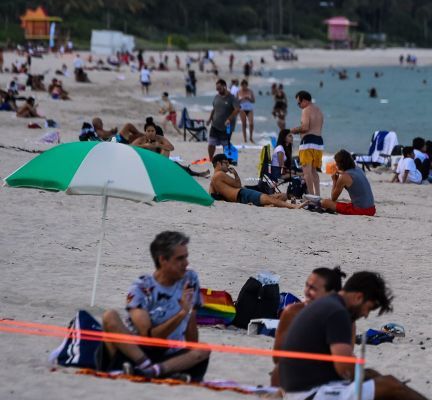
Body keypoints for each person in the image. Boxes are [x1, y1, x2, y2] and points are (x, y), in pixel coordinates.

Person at [278, 271, 432, 400]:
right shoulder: (337, 313)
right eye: (368, 308)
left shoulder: (328, 304)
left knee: (374, 376)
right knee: (389, 384)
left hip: (299, 383)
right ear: (358, 297)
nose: (365, 315)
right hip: (308, 394)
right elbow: (343, 368)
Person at [99, 231, 210, 381]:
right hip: (139, 351)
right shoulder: (141, 287)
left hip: (170, 355)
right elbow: (148, 336)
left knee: (203, 349)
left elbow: (192, 334)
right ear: (163, 260)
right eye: (180, 259)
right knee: (109, 316)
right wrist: (182, 314)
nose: (186, 263)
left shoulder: (190, 279)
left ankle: (155, 371)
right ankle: (146, 367)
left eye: (186, 257)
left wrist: (189, 352)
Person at [270, 266, 345, 387]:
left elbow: (343, 363)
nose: (306, 292)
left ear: (330, 293)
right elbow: (277, 357)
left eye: (313, 289)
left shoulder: (341, 317)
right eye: (307, 286)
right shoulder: (292, 312)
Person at [209, 154, 303, 208]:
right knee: (267, 198)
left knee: (271, 198)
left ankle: (285, 204)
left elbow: (213, 196)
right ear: (218, 163)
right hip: (242, 194)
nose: (228, 165)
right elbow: (238, 185)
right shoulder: (220, 174)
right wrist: (236, 174)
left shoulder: (213, 180)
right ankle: (293, 206)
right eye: (225, 163)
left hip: (240, 198)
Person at [319, 149, 376, 216]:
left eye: (337, 163)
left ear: (341, 164)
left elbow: (333, 198)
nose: (336, 165)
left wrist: (334, 180)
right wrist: (340, 172)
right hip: (372, 209)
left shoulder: (343, 177)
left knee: (325, 202)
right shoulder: (358, 169)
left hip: (361, 210)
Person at [291, 90, 324, 198]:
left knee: (307, 172)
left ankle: (311, 196)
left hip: (308, 142)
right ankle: (317, 195)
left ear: (304, 100)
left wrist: (294, 130)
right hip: (319, 142)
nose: (299, 106)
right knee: (314, 171)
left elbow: (305, 127)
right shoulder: (319, 110)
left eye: (299, 103)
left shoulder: (306, 110)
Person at [207, 79, 240, 162]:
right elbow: (214, 109)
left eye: (219, 88)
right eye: (217, 89)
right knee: (211, 144)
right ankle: (211, 159)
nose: (218, 91)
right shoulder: (216, 97)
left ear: (224, 86)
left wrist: (229, 119)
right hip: (215, 125)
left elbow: (237, 109)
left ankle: (225, 161)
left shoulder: (232, 98)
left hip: (226, 128)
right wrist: (209, 119)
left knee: (225, 146)